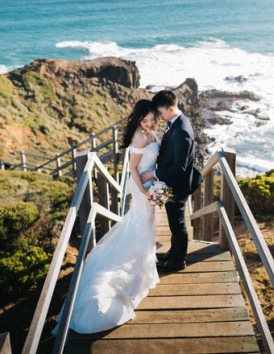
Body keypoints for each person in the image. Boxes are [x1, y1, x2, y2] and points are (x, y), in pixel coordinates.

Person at [57, 99, 160, 334]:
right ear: (138, 119)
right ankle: (138, 269)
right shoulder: (139, 137)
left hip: (150, 182)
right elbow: (132, 169)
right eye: (145, 120)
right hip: (141, 185)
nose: (150, 123)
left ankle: (146, 265)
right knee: (142, 223)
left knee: (147, 224)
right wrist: (144, 190)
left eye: (153, 118)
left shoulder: (151, 133)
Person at [141, 90, 202, 272]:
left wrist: (155, 174)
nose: (158, 117)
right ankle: (173, 252)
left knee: (178, 224)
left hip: (177, 185)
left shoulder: (182, 130)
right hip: (172, 183)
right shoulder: (176, 122)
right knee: (174, 222)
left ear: (170, 108)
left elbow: (179, 167)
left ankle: (178, 261)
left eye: (160, 112)